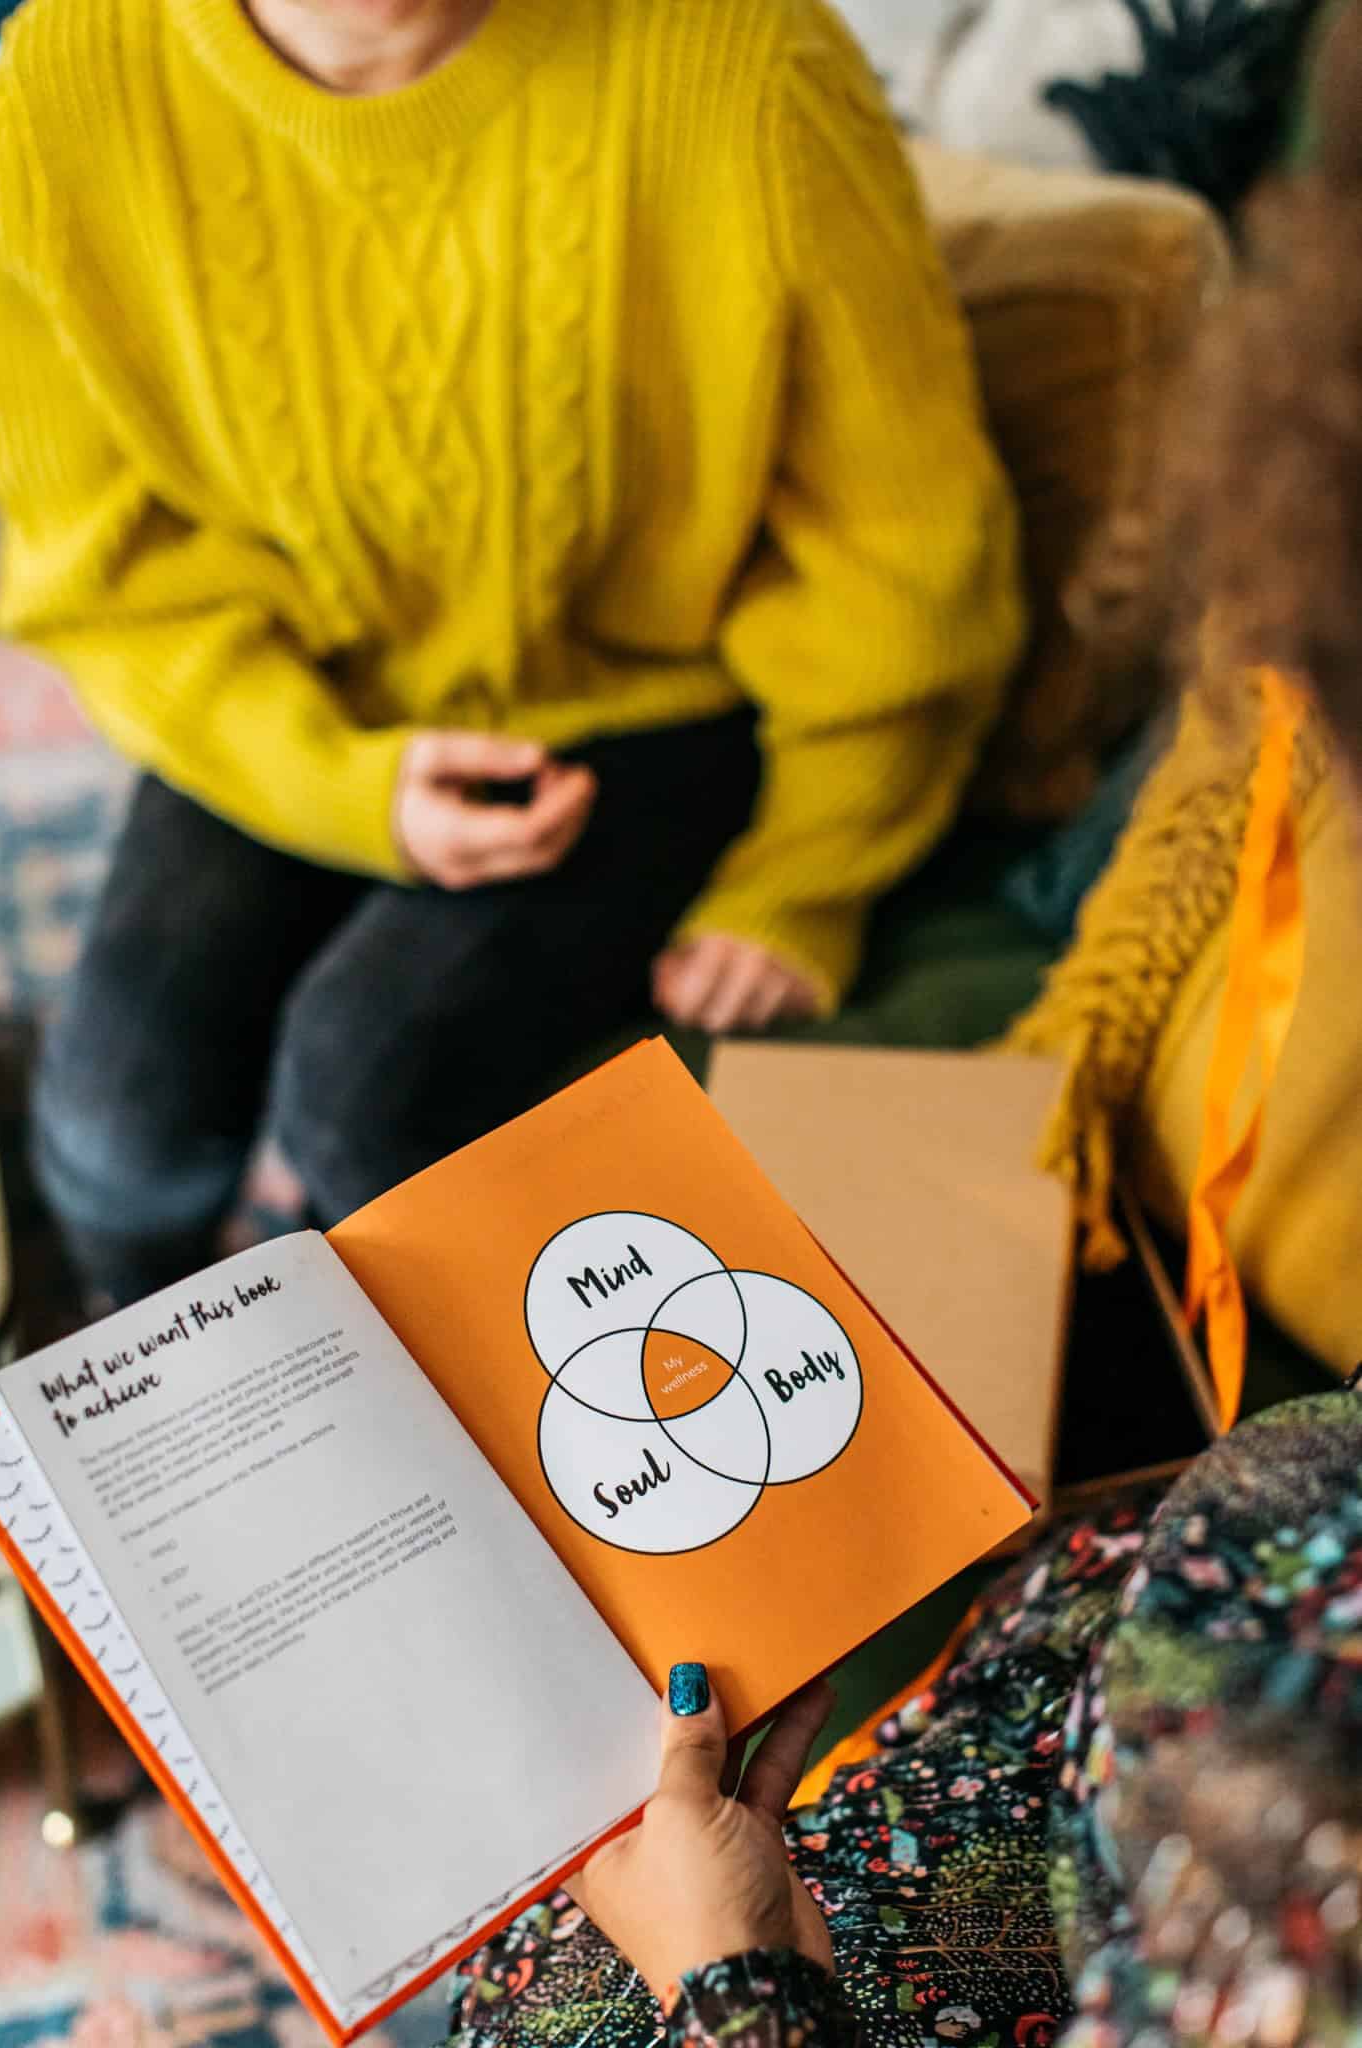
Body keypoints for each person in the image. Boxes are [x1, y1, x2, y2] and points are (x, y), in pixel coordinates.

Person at [437, 7, 1362, 2046]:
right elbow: (1241, 747)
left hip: (1197, 1621)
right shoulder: (1309, 521)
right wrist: (1044, 1088)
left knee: (556, 1955)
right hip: (1143, 1501)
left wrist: (737, 1985)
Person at [0, 0, 1023, 1310]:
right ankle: (148, 1414)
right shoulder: (65, 77)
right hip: (294, 686)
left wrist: (813, 867)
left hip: (652, 702)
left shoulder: (742, 55)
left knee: (366, 1085)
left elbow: (903, 532)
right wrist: (340, 786)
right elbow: (108, 568)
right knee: (115, 1122)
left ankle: (442, 1426)